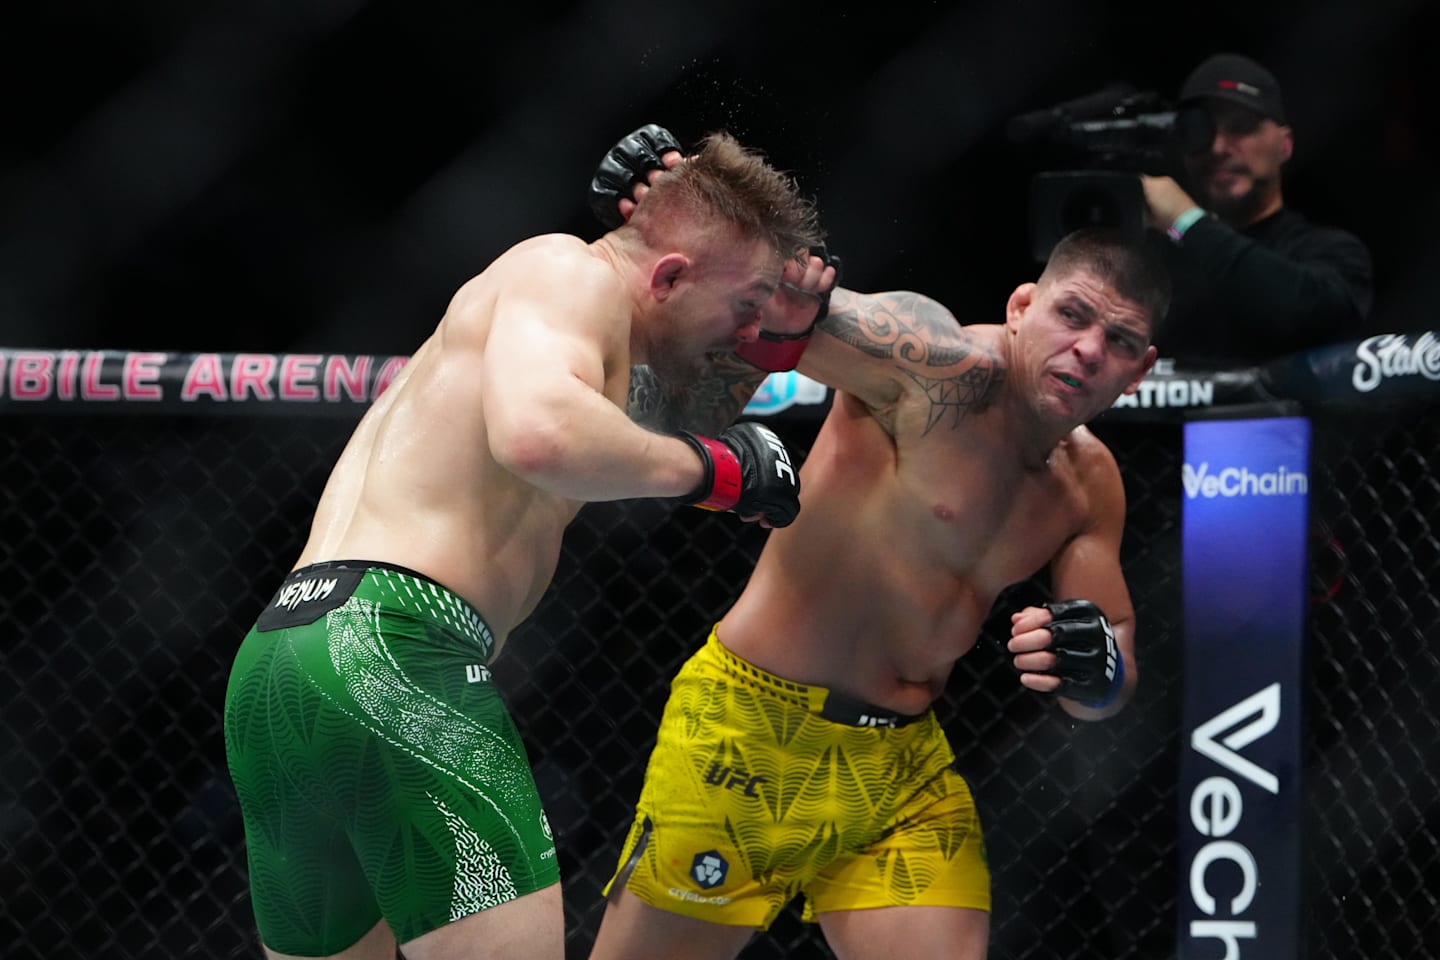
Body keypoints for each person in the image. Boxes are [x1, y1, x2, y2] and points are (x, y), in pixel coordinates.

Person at [221, 130, 836, 960]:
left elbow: (656, 425)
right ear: (669, 277)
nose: (748, 327)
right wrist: (716, 472)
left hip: (282, 659)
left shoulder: (581, 343)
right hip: (394, 652)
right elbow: (541, 435)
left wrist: (774, 347)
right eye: (746, 305)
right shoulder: (565, 272)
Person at [585, 130, 1168, 960]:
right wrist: (670, 213)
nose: (1087, 350)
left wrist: (1096, 668)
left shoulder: (1089, 484)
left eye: (1119, 342)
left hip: (899, 768)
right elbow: (748, 302)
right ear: (1022, 307)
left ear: (1139, 372)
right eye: (1072, 315)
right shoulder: (932, 364)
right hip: (747, 739)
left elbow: (1110, 668)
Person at [1140, 52, 1373, 367]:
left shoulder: (1330, 251)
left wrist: (1187, 220)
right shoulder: (1155, 261)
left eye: (1242, 126)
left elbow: (1316, 316)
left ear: (1285, 144)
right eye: (1200, 131)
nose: (1218, 148)